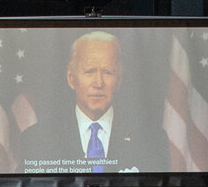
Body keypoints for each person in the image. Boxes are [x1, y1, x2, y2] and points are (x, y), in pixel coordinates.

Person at [17, 31, 150, 173]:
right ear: (71, 78)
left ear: (119, 79)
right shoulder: (36, 138)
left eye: (107, 72)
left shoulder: (151, 139)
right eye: (89, 72)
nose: (98, 83)